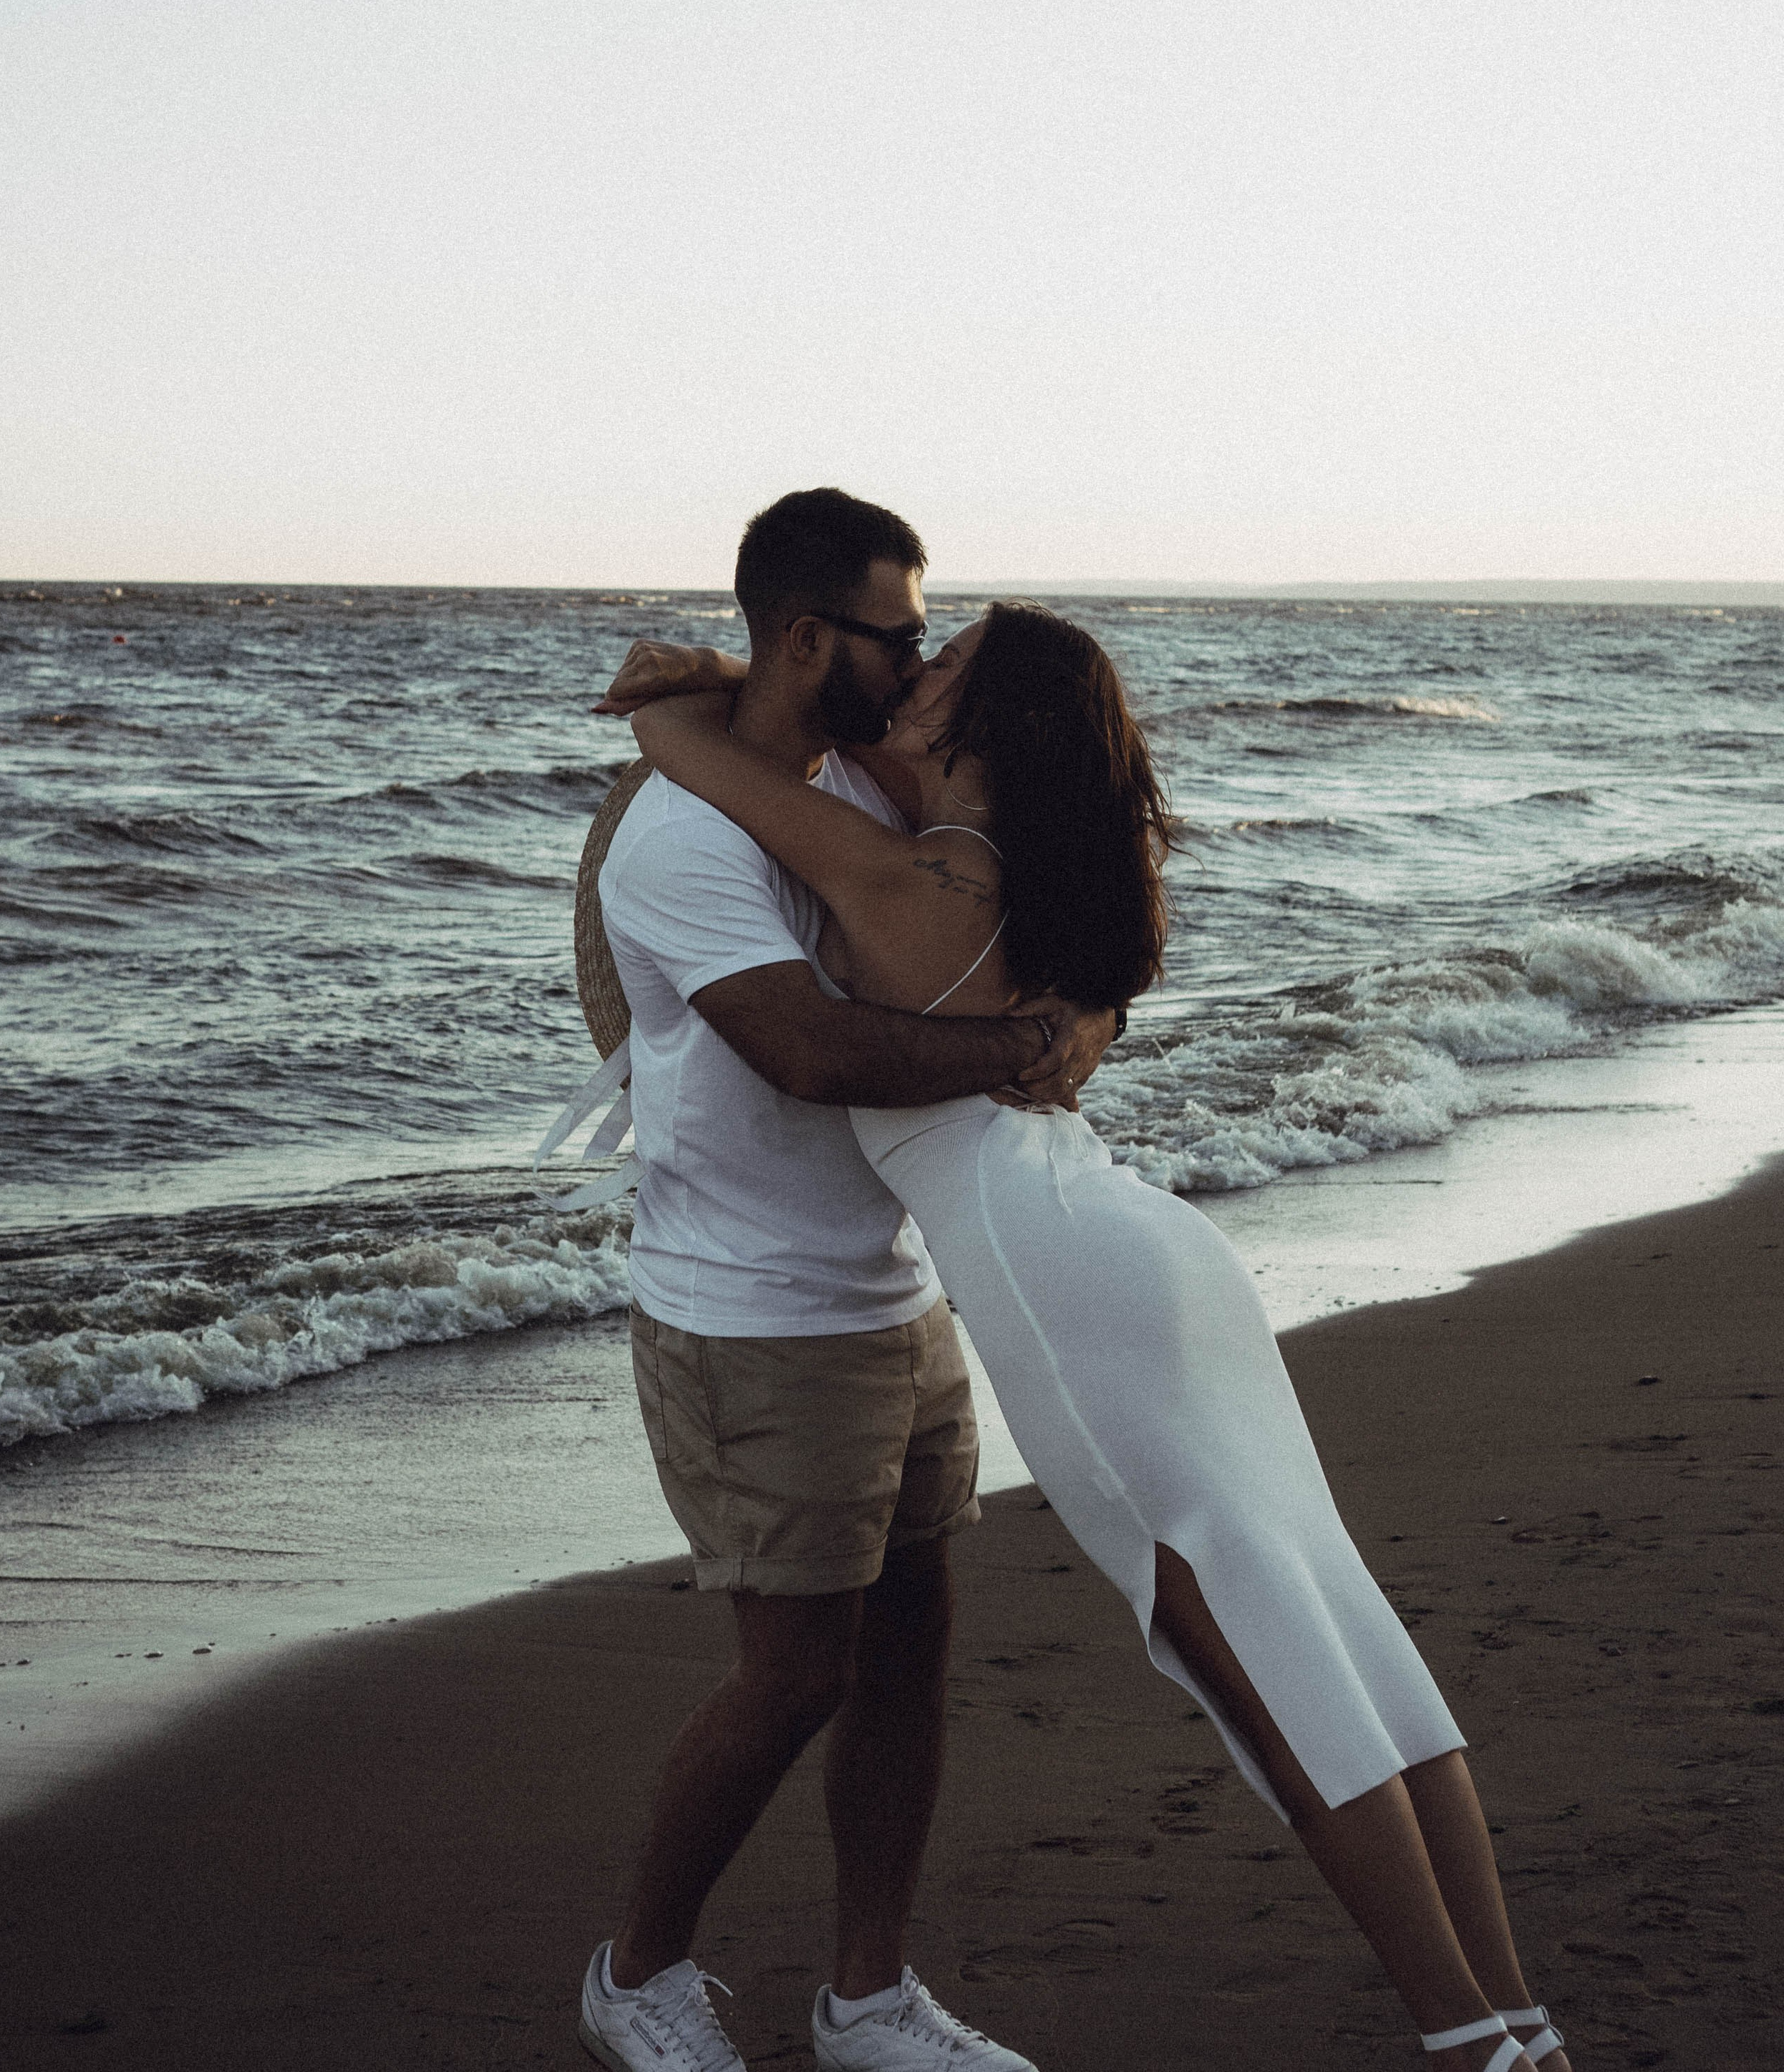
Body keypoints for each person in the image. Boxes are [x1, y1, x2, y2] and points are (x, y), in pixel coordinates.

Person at [606, 598, 1574, 2072]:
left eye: (935, 669)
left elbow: (727, 787)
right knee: (1329, 1623)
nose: (908, 681)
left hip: (1070, 1291)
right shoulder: (1037, 870)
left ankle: (1470, 2043)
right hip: (1141, 1253)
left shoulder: (906, 876)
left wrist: (674, 710)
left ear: (972, 730)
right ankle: (1509, 2023)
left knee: (1255, 1665)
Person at [581, 491, 1119, 2072]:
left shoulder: (875, 789)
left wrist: (1065, 1015)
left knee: (907, 1652)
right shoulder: (680, 836)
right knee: (792, 1674)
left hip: (893, 1292)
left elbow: (1021, 921)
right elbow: (804, 1049)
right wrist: (1027, 1056)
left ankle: (868, 1997)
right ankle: (637, 1972)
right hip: (746, 1313)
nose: (923, 655)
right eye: (900, 631)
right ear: (811, 637)